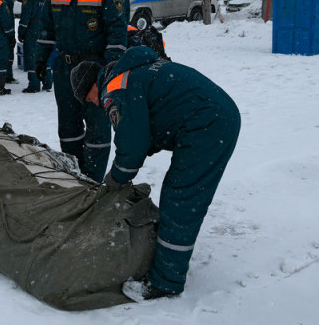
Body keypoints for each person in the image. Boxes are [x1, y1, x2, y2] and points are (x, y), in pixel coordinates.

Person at [70, 47, 241, 300]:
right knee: (180, 195)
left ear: (91, 86)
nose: (93, 103)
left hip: (207, 125)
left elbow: (132, 143)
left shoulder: (115, 89)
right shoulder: (129, 73)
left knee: (181, 199)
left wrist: (115, 179)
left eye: (88, 98)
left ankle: (165, 282)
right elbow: (149, 124)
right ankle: (168, 261)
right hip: (216, 115)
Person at [35, 0, 127, 182]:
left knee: (97, 127)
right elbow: (46, 31)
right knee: (68, 128)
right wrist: (41, 62)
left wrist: (109, 72)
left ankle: (93, 180)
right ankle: (75, 176)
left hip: (95, 69)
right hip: (65, 69)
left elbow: (117, 36)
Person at [17, 0, 52, 93]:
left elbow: (26, 15)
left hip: (33, 28)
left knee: (32, 56)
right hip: (46, 29)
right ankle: (47, 82)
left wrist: (21, 31)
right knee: (44, 55)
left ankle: (34, 84)